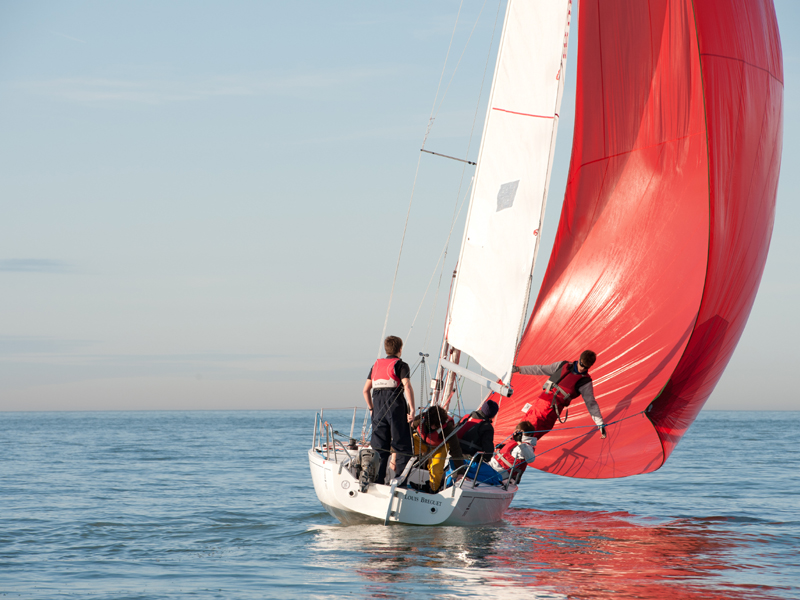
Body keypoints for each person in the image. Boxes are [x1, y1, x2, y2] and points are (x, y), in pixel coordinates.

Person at [512, 350, 606, 442]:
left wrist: (600, 423)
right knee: (521, 429)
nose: (582, 368)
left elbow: (591, 404)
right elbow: (541, 369)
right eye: (581, 364)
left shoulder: (585, 382)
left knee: (527, 436)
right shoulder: (563, 365)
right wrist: (519, 369)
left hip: (550, 412)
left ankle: (512, 454)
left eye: (586, 367)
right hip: (540, 402)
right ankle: (506, 452)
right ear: (579, 359)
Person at [363, 335, 415, 485]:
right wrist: (412, 410)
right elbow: (407, 386)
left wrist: (372, 409)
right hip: (395, 406)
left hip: (378, 406)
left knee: (379, 448)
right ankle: (400, 483)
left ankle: (377, 482)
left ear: (386, 350)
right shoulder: (401, 365)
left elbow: (365, 390)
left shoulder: (375, 366)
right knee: (402, 446)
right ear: (400, 350)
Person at [411, 406, 465, 493]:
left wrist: (460, 472)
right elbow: (409, 429)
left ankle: (433, 490)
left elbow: (456, 449)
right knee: (404, 448)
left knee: (436, 470)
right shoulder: (421, 419)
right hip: (421, 442)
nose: (433, 427)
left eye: (436, 426)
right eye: (431, 424)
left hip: (439, 446)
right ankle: (401, 479)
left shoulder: (448, 427)